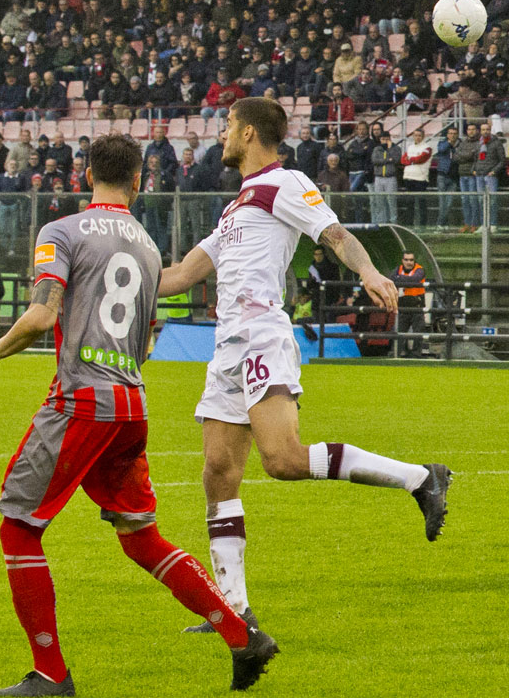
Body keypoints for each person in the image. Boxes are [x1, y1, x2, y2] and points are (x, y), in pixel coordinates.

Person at [0, 133, 272, 697]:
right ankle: (240, 634)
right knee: (139, 535)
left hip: (81, 401)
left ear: (85, 174)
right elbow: (144, 337)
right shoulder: (147, 248)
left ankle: (50, 674)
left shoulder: (62, 231)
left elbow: (42, 315)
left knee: (18, 527)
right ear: (139, 181)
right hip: (131, 404)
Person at [157, 98, 454, 629]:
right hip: (226, 347)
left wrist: (369, 272)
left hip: (261, 337)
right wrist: (105, 279)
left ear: (249, 133)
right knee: (218, 472)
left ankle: (419, 478)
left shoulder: (284, 182)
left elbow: (335, 234)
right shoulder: (235, 207)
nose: (222, 134)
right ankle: (235, 610)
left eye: (229, 126)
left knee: (283, 460)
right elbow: (180, 275)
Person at [392, 250, 428, 358]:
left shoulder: (420, 269)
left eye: (411, 260)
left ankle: (416, 355)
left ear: (414, 261)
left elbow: (414, 279)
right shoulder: (398, 269)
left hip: (417, 306)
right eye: (406, 260)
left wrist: (399, 279)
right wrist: (404, 280)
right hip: (402, 306)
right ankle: (396, 353)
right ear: (402, 260)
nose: (409, 262)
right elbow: (391, 279)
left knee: (418, 332)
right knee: (399, 331)